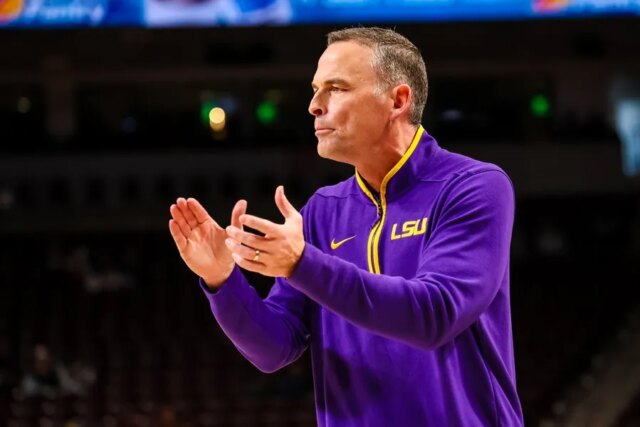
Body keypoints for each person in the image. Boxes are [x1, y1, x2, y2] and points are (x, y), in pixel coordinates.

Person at [169, 27, 524, 426]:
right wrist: (222, 280)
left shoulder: (473, 186)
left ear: (398, 100)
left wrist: (301, 263)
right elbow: (274, 349)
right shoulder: (322, 211)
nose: (313, 106)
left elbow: (434, 314)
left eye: (336, 89)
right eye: (315, 90)